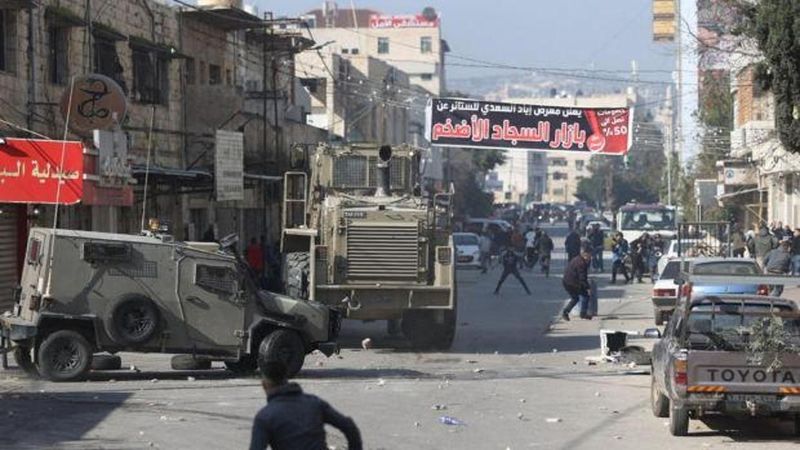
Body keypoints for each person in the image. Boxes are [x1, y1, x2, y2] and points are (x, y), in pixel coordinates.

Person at [249, 360, 362, 450]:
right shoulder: (314, 403)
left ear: (264, 384)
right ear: (286, 379)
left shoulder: (265, 417)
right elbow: (348, 426)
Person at [562, 247, 593, 321]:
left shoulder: (577, 259)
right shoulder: (581, 263)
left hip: (567, 282)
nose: (590, 257)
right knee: (586, 295)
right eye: (590, 255)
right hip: (572, 283)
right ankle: (583, 313)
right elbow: (582, 278)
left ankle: (565, 312)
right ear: (585, 254)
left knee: (575, 298)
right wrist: (588, 288)